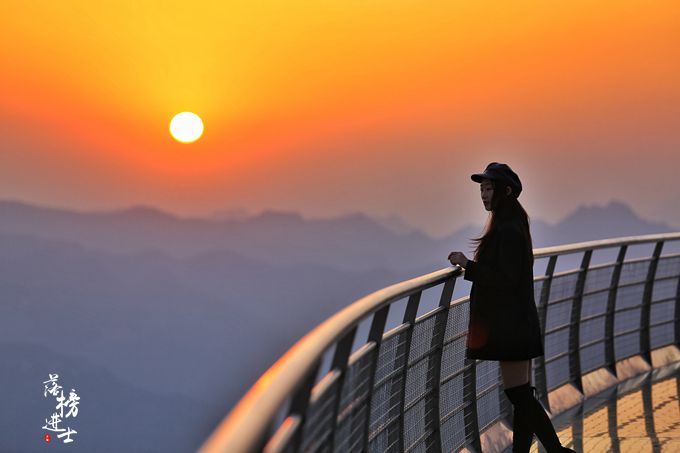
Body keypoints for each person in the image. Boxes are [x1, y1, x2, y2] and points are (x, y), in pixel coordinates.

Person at [447, 162, 576, 453]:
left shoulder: (506, 229)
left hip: (512, 325)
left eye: (489, 188)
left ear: (506, 191)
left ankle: (556, 451)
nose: (483, 194)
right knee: (521, 394)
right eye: (481, 188)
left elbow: (504, 278)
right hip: (518, 322)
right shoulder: (513, 223)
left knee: (518, 394)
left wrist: (468, 265)